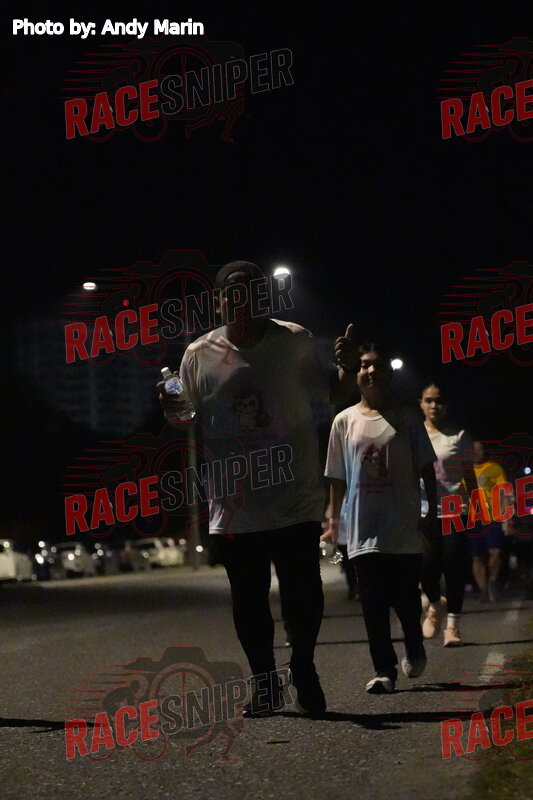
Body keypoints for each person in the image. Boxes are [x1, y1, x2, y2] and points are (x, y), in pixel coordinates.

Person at [159, 260, 358, 715]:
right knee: (248, 601)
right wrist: (171, 406)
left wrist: (347, 367)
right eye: (231, 295)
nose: (240, 302)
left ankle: (303, 668)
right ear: (218, 303)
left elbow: (333, 392)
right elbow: (183, 417)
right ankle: (265, 682)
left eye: (249, 293)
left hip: (293, 496)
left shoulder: (294, 340)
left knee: (302, 592)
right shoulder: (198, 354)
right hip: (235, 505)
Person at [321, 343, 438, 694]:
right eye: (363, 366)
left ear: (387, 373)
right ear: (356, 374)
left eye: (376, 365)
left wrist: (431, 511)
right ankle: (384, 670)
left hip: (402, 527)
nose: (369, 371)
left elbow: (426, 468)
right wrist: (333, 524)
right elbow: (337, 477)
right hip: (362, 528)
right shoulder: (344, 421)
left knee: (406, 600)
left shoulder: (407, 418)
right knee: (372, 603)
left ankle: (414, 646)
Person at [419, 381, 478, 646]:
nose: (434, 405)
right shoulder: (414, 435)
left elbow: (469, 475)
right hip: (424, 514)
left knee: (454, 567)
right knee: (426, 568)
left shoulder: (459, 436)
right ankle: (435, 605)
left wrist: (477, 508)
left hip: (456, 512)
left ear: (446, 404)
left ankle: (452, 626)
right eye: (429, 400)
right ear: (421, 403)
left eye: (439, 400)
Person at [471, 441, 507, 601]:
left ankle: (492, 580)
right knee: (476, 556)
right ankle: (483, 589)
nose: (477, 452)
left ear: (485, 452)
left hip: (492, 517)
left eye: (480, 450)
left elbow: (504, 492)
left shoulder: (494, 468)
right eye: (474, 450)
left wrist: (506, 515)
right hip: (472, 519)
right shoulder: (463, 469)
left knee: (495, 552)